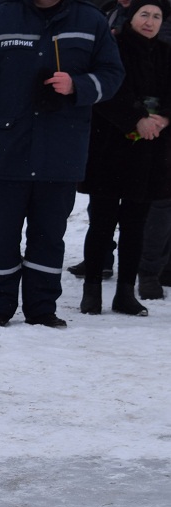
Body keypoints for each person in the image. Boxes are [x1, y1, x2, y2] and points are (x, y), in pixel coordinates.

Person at [0, 0, 124, 327]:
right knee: (0, 233)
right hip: (6, 147)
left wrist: (78, 85)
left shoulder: (90, 20)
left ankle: (42, 308)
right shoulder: (1, 17)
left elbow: (113, 74)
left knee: (49, 234)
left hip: (61, 148)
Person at [76, 0, 171, 314]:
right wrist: (135, 119)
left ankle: (125, 293)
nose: (150, 21)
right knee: (102, 222)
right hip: (110, 148)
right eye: (144, 14)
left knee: (135, 224)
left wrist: (163, 118)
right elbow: (105, 92)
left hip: (150, 149)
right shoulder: (112, 47)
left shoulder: (165, 53)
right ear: (131, 17)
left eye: (156, 16)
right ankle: (92, 291)